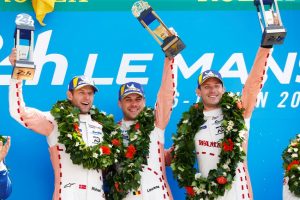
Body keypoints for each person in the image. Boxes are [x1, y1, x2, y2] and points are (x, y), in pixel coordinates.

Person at [8, 48, 120, 200]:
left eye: (90, 93)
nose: (86, 97)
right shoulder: (55, 120)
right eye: (81, 92)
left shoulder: (103, 125)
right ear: (70, 95)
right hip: (68, 195)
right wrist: (17, 74)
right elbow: (19, 112)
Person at [171, 44, 274, 199]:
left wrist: (266, 47)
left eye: (217, 86)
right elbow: (177, 155)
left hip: (238, 193)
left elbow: (253, 85)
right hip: (207, 194)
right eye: (207, 86)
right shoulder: (189, 123)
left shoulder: (238, 111)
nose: (213, 90)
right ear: (198, 91)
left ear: (223, 89)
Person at [107, 56, 176, 200]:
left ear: (144, 101)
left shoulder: (156, 123)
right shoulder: (111, 133)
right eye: (128, 100)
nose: (134, 104)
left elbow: (166, 95)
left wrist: (169, 59)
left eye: (138, 99)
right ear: (120, 103)